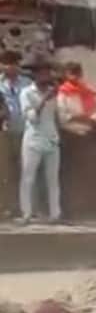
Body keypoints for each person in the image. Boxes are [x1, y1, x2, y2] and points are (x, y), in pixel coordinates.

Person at [17, 61, 60, 224]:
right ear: (34, 75)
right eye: (42, 73)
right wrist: (44, 100)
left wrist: (52, 96)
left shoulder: (53, 93)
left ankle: (55, 214)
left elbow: (56, 116)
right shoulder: (26, 93)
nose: (45, 76)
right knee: (28, 178)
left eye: (47, 73)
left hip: (51, 139)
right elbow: (32, 118)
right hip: (33, 139)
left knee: (52, 178)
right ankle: (26, 213)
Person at [57, 62, 96, 219]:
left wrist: (87, 119)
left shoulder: (87, 92)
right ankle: (68, 210)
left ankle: (84, 208)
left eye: (76, 73)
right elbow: (63, 118)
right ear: (66, 75)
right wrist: (82, 117)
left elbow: (95, 115)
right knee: (69, 175)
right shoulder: (63, 93)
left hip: (86, 137)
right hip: (70, 137)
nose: (74, 76)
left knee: (86, 174)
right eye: (71, 73)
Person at [0, 51, 30, 216]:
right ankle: (7, 206)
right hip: (4, 133)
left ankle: (24, 207)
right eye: (5, 63)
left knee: (25, 171)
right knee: (5, 172)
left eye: (13, 63)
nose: (9, 66)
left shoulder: (27, 83)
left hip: (25, 131)